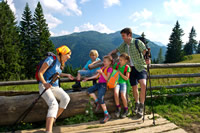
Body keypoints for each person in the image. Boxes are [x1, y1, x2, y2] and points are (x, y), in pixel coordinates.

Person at [109, 28, 150, 117]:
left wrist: (148, 59)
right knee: (134, 88)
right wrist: (109, 55)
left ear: (129, 35)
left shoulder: (137, 42)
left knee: (143, 84)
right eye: (122, 36)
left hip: (140, 67)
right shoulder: (124, 44)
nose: (122, 38)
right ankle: (137, 104)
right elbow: (116, 50)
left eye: (123, 36)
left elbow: (145, 52)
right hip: (130, 69)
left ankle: (141, 106)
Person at [38, 45, 74, 133]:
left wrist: (67, 75)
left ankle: (53, 119)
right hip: (44, 85)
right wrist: (45, 83)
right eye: (67, 56)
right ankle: (48, 131)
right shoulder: (51, 60)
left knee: (66, 98)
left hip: (55, 87)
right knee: (54, 104)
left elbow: (57, 73)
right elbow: (40, 73)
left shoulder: (60, 63)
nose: (67, 58)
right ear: (62, 54)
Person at [83, 55, 113, 123]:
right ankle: (97, 102)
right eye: (103, 61)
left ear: (109, 62)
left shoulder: (109, 69)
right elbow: (96, 76)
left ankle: (107, 114)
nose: (104, 63)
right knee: (89, 90)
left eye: (105, 61)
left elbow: (107, 78)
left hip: (104, 85)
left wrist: (101, 72)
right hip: (99, 84)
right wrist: (88, 78)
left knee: (100, 97)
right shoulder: (102, 68)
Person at [113, 53, 131, 118]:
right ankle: (118, 108)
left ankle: (126, 109)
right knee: (115, 93)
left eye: (121, 60)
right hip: (117, 82)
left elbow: (126, 78)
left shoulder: (127, 67)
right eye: (119, 60)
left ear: (126, 61)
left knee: (123, 95)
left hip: (123, 82)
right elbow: (113, 74)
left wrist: (120, 73)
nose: (119, 61)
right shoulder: (116, 65)